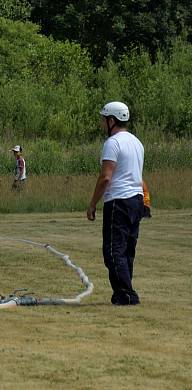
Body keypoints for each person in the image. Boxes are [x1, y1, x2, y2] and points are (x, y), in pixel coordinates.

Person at [86, 101, 146, 306]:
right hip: (136, 200)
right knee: (127, 250)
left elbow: (106, 177)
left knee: (113, 251)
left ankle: (127, 295)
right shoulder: (137, 142)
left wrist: (93, 203)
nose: (102, 124)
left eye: (104, 120)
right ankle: (123, 293)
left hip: (119, 202)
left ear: (112, 120)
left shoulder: (113, 143)